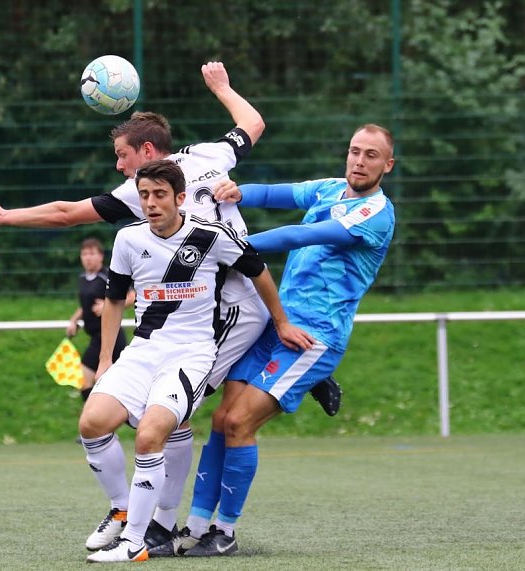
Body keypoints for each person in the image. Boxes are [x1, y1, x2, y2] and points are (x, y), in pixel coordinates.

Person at [0, 62, 337, 549]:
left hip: (226, 304)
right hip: (219, 299)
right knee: (170, 412)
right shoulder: (208, 155)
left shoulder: (140, 190)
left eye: (122, 156)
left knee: (168, 410)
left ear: (147, 152)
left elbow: (65, 214)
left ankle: (157, 524)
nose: (120, 166)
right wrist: (224, 89)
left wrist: (4, 217)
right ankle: (151, 518)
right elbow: (253, 123)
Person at [150, 124, 396, 557]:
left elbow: (300, 236)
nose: (359, 160)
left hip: (313, 335)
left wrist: (226, 247)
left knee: (241, 422)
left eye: (371, 155)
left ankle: (223, 534)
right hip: (276, 320)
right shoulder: (332, 189)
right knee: (222, 420)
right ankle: (193, 530)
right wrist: (237, 191)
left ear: (387, 165)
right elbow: (274, 193)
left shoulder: (376, 212)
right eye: (355, 150)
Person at [81, 160, 313, 563]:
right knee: (92, 424)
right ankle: (122, 507)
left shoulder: (210, 236)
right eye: (145, 195)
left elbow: (258, 272)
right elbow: (115, 300)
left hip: (192, 355)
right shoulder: (127, 240)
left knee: (151, 433)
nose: (151, 203)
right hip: (143, 351)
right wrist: (105, 360)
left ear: (180, 198)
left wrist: (281, 322)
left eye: (159, 195)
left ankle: (136, 541)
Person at [66, 237, 133, 402]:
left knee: (87, 379)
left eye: (92, 253)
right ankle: (101, 423)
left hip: (110, 337)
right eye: (84, 254)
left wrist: (107, 306)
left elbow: (132, 295)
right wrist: (74, 320)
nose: (88, 257)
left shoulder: (107, 276)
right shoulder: (83, 278)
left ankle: (98, 422)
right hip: (96, 337)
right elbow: (87, 305)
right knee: (94, 382)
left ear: (101, 256)